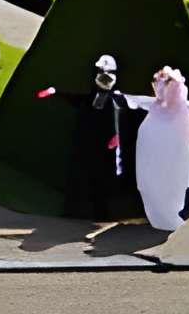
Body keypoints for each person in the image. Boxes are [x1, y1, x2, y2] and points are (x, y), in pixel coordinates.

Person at [35, 54, 145, 219]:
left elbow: (124, 121)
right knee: (80, 176)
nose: (104, 76)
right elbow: (78, 100)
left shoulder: (118, 100)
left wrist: (117, 138)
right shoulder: (91, 96)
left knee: (101, 180)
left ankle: (100, 213)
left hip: (104, 149)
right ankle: (72, 210)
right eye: (101, 71)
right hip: (86, 143)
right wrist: (55, 92)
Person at [137, 65, 189, 230]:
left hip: (174, 153)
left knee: (178, 181)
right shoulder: (157, 108)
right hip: (160, 155)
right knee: (164, 182)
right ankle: (167, 213)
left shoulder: (175, 107)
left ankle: (175, 212)